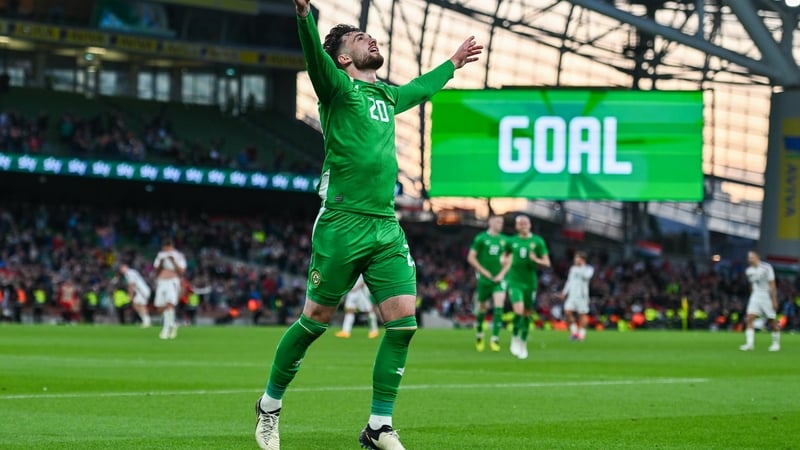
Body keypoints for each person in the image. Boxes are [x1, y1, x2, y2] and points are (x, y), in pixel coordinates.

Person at [254, 2, 482, 449]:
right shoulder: (336, 88)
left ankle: (379, 425)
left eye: (369, 36)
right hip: (342, 222)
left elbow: (419, 88)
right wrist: (304, 17)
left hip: (385, 225)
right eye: (359, 38)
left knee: (403, 324)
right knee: (315, 320)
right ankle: (269, 406)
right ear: (342, 58)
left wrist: (452, 64)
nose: (370, 38)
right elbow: (312, 57)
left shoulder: (385, 96)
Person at [505, 215, 550, 360]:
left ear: (530, 225)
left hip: (530, 282)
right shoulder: (511, 241)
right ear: (517, 226)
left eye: (526, 223)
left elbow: (547, 262)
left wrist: (535, 260)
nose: (523, 225)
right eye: (520, 223)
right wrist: (504, 261)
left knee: (526, 313)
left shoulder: (537, 241)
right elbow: (504, 257)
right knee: (518, 311)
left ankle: (523, 342)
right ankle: (514, 337)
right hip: (514, 281)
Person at [466, 214, 511, 352]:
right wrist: (482, 271)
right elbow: (471, 257)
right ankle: (479, 334)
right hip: (485, 279)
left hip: (500, 279)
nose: (500, 224)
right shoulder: (481, 238)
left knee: (499, 307)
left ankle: (495, 339)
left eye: (502, 222)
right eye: (498, 221)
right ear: (490, 222)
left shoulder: (506, 240)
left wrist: (502, 274)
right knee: (482, 309)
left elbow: (509, 260)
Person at [739, 250, 781, 352]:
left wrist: (774, 300)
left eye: (751, 257)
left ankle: (776, 343)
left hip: (766, 295)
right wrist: (752, 296)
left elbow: (772, 284)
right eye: (748, 257)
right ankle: (750, 344)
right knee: (749, 318)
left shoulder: (767, 268)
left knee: (772, 320)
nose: (749, 259)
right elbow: (752, 284)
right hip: (755, 296)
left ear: (757, 257)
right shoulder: (749, 270)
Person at [153, 238, 186, 339]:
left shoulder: (178, 255)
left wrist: (173, 261)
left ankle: (165, 329)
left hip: (173, 281)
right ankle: (173, 324)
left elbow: (182, 271)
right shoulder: (160, 255)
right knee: (159, 307)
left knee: (169, 303)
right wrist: (162, 263)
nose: (166, 250)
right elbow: (155, 270)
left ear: (171, 246)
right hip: (161, 281)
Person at [559, 251, 594, 342]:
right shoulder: (573, 268)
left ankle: (581, 334)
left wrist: (581, 267)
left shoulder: (588, 269)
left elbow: (587, 277)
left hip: (582, 296)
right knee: (567, 311)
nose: (575, 260)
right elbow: (569, 281)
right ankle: (574, 332)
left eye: (577, 258)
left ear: (582, 260)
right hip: (572, 295)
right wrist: (564, 292)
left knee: (582, 315)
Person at [336, 274, 380, 339]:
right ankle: (346, 331)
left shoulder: (361, 266)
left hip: (361, 292)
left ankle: (374, 330)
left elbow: (365, 279)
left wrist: (358, 287)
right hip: (351, 292)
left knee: (368, 310)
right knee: (349, 310)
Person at [119, 263, 153, 328]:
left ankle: (147, 321)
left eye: (122, 268)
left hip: (142, 291)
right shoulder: (130, 273)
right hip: (140, 291)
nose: (121, 270)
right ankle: (145, 320)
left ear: (126, 267)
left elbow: (131, 285)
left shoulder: (129, 273)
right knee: (135, 305)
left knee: (141, 305)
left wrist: (130, 296)